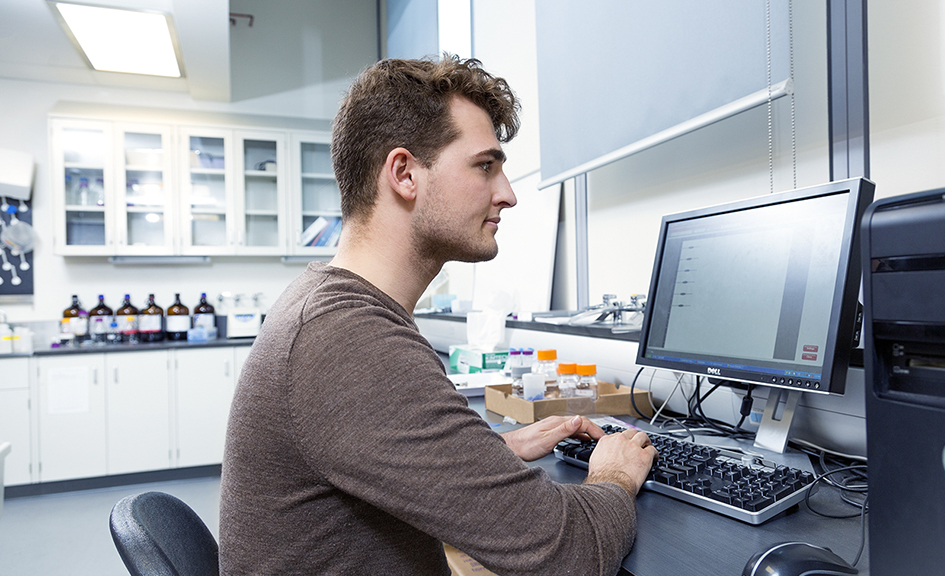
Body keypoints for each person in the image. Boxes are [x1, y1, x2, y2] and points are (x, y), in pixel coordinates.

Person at [219, 55, 657, 576]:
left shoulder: (327, 304)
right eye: (485, 165)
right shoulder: (347, 340)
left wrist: (488, 454)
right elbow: (565, 551)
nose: (508, 195)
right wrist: (615, 476)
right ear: (404, 173)